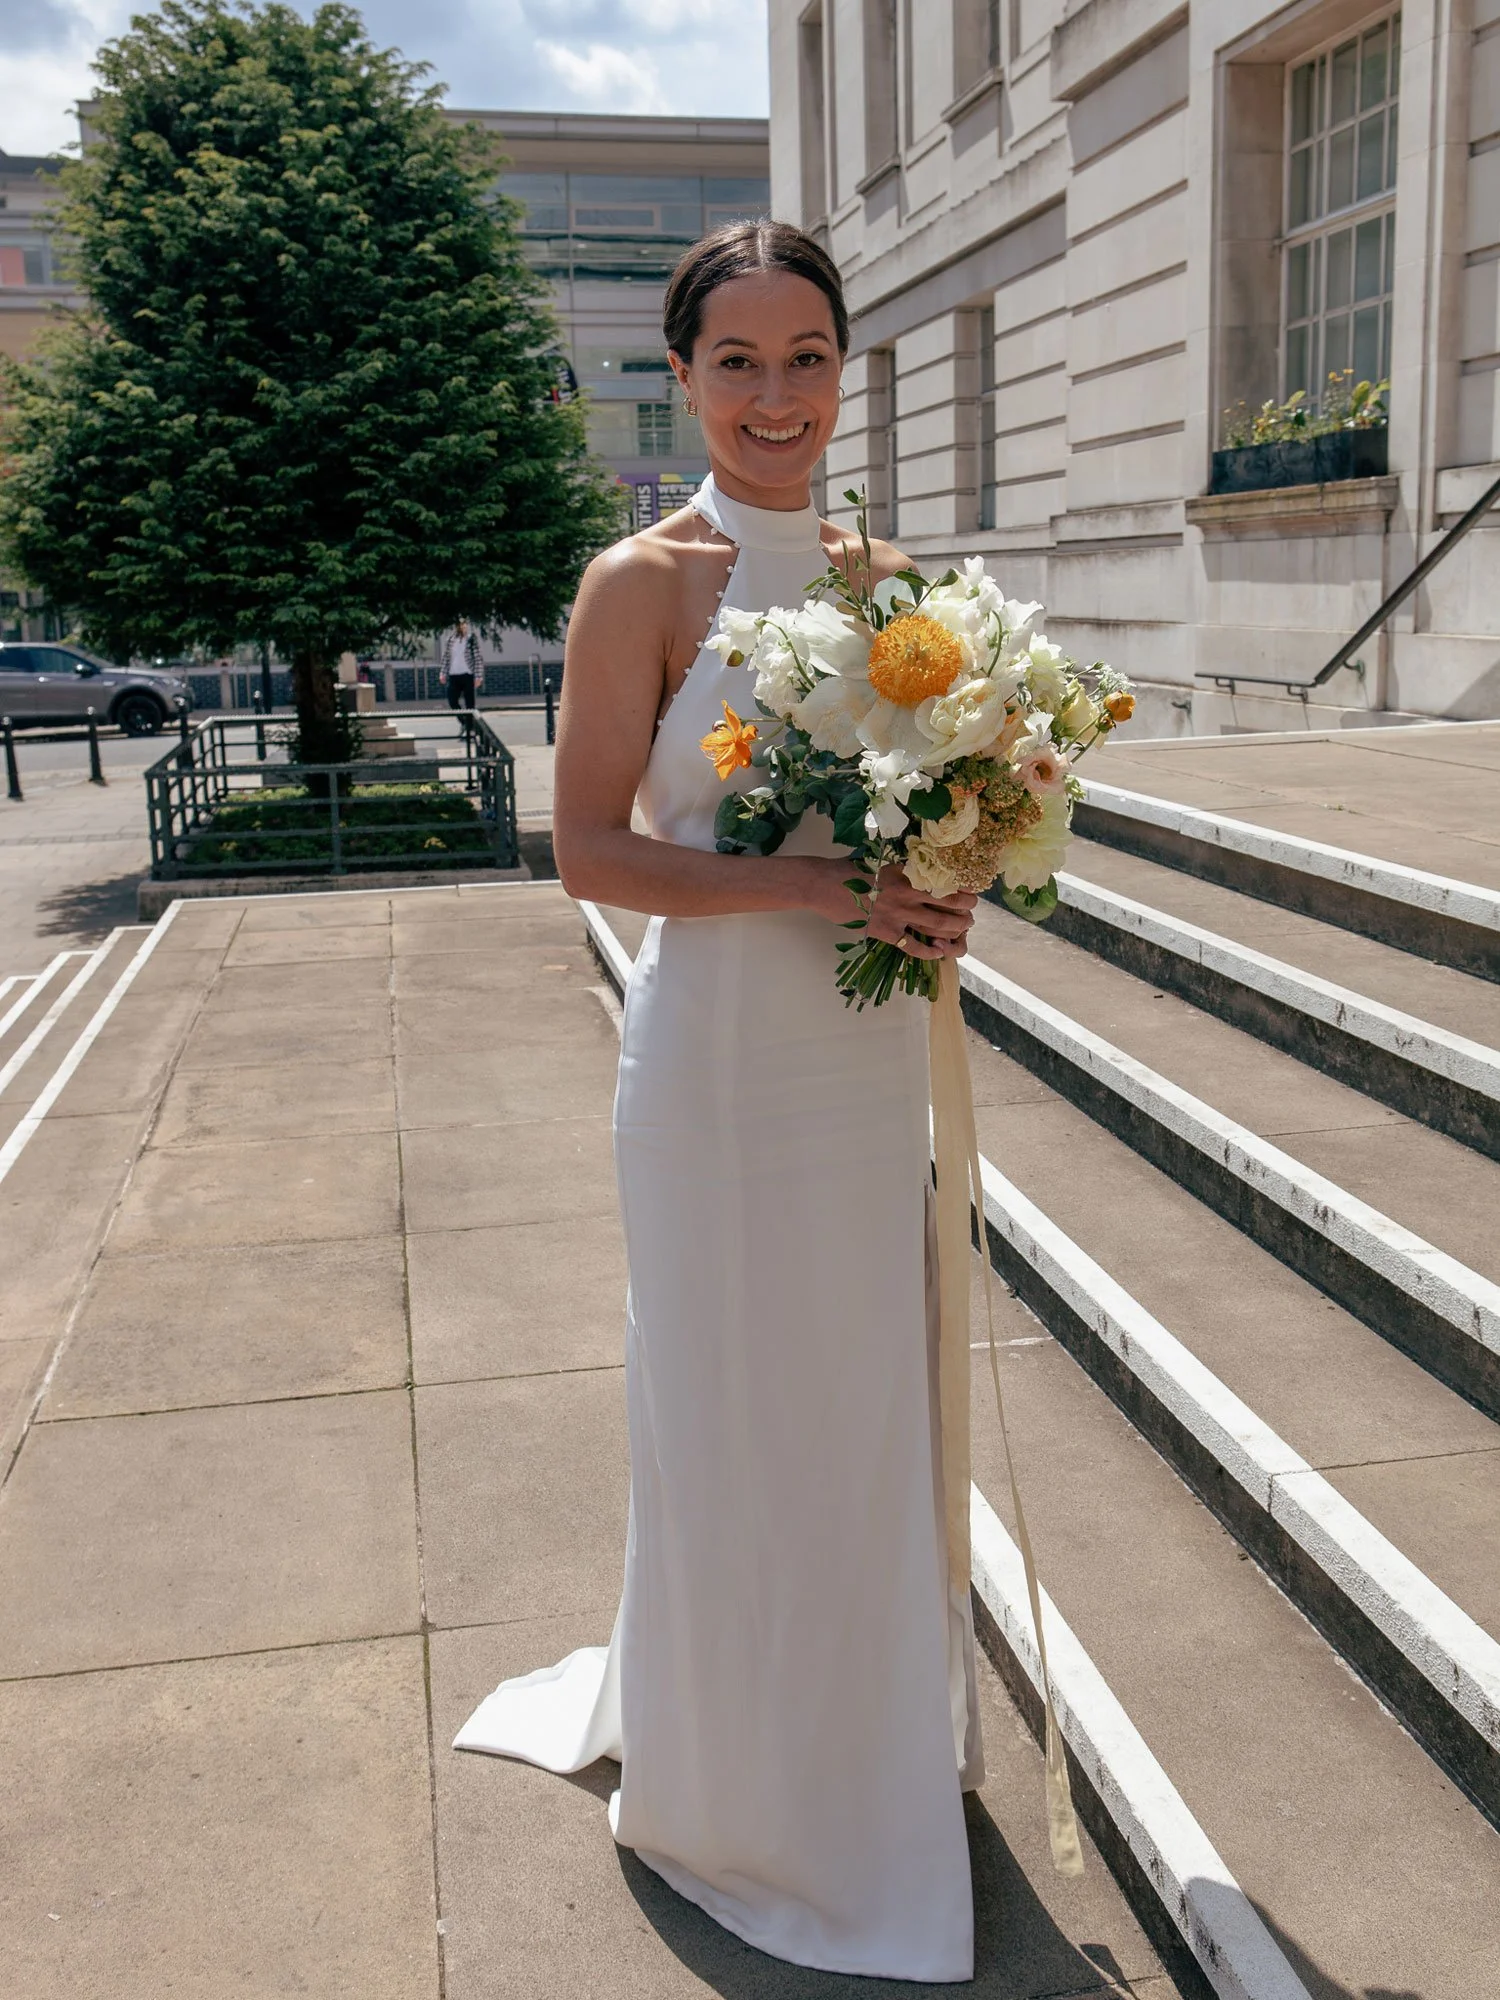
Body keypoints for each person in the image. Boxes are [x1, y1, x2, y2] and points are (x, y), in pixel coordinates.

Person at [454, 222, 981, 1983]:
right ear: (679, 376)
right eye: (737, 361)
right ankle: (733, 1783)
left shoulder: (892, 574)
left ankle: (857, 1755)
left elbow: (914, 812)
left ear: (848, 369)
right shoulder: (644, 581)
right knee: (728, 1409)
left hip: (855, 1060)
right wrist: (820, 895)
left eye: (808, 355)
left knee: (852, 1413)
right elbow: (585, 849)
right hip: (715, 1076)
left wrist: (955, 868)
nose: (777, 395)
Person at [439, 618, 479, 709]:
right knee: (452, 700)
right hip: (453, 675)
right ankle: (463, 720)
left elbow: (477, 658)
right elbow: (446, 657)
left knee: (469, 703)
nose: (462, 627)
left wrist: (478, 676)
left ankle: (469, 723)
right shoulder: (450, 640)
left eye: (464, 625)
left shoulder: (470, 639)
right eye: (460, 625)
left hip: (467, 674)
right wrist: (442, 673)